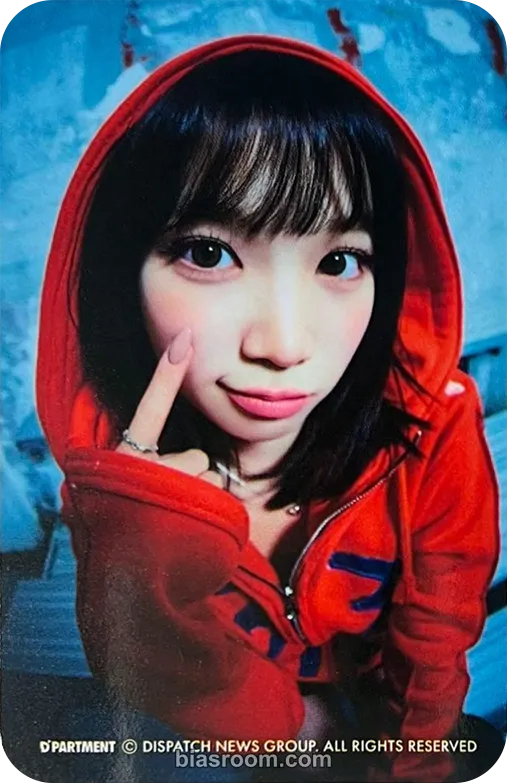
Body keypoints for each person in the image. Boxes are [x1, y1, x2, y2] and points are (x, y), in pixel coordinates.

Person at [36, 35, 499, 782]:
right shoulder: (118, 483)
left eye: (339, 261)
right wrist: (285, 731)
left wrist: (414, 763)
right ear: (122, 271)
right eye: (209, 253)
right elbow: (164, 678)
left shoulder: (432, 423)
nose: (284, 346)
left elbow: (436, 635)